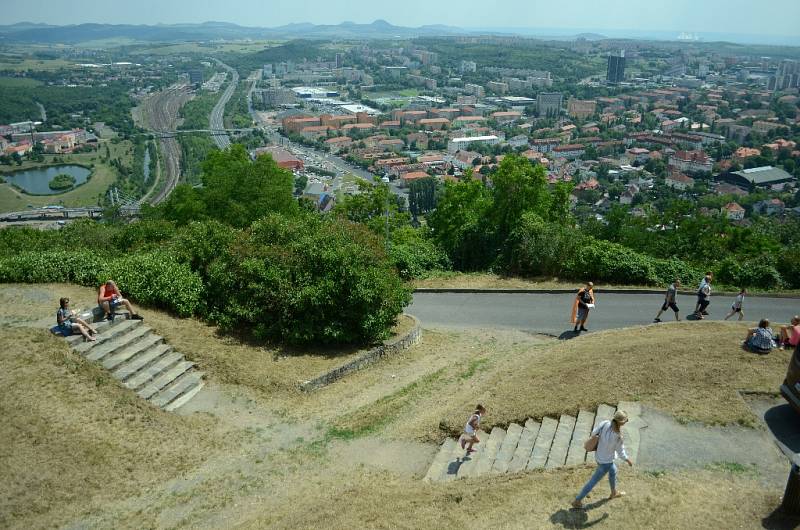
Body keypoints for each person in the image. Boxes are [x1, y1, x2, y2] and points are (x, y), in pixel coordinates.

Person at [572, 410, 633, 509]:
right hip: (606, 462)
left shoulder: (605, 423)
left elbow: (593, 433)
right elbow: (621, 452)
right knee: (593, 481)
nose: (626, 421)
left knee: (613, 471)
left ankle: (613, 492)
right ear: (621, 422)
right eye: (626, 420)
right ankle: (577, 501)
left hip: (599, 456)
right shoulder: (618, 437)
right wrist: (628, 460)